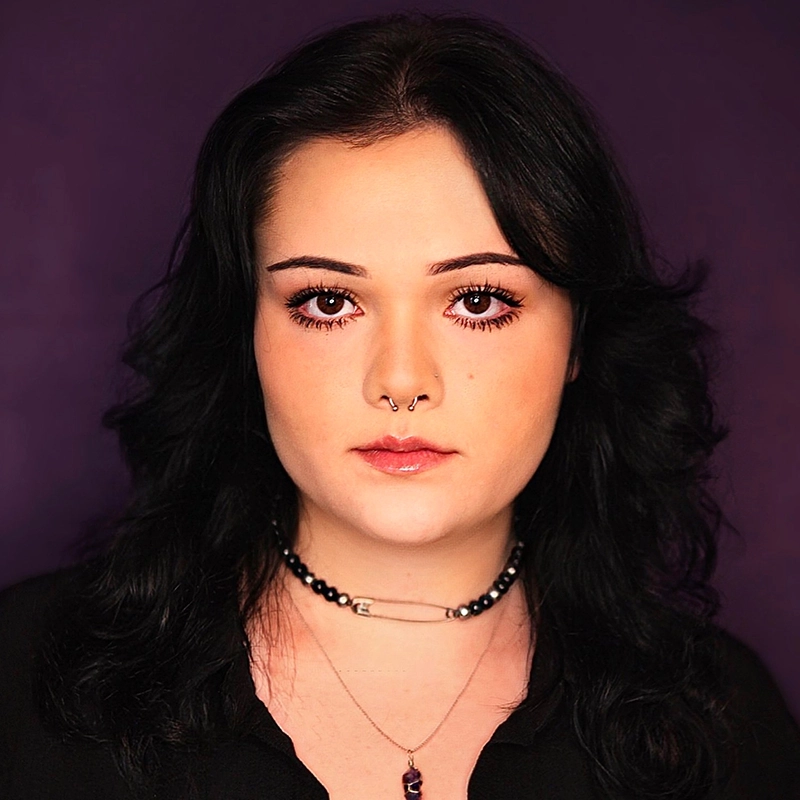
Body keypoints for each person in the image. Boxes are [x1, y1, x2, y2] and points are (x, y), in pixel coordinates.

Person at [1, 11, 798, 800]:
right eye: (327, 301)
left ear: (579, 341)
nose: (402, 380)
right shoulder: (21, 681)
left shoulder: (723, 720)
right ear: (244, 332)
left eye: (479, 301)